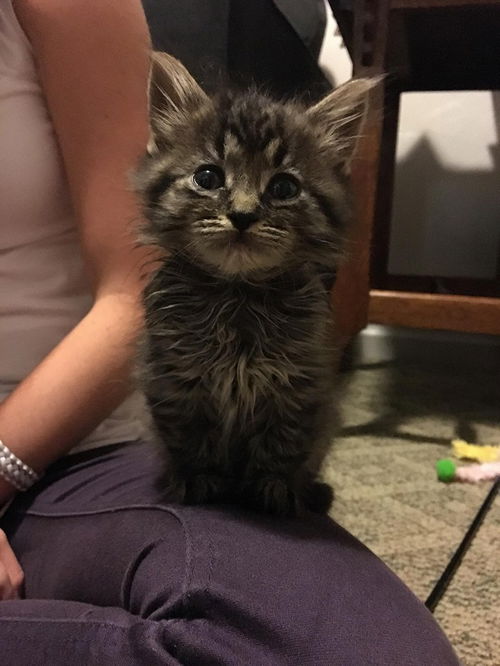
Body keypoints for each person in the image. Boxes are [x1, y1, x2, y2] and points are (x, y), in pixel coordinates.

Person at [0, 0, 460, 663]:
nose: (243, 208)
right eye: (214, 181)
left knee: (361, 649)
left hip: (59, 450)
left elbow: (129, 299)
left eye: (278, 189)